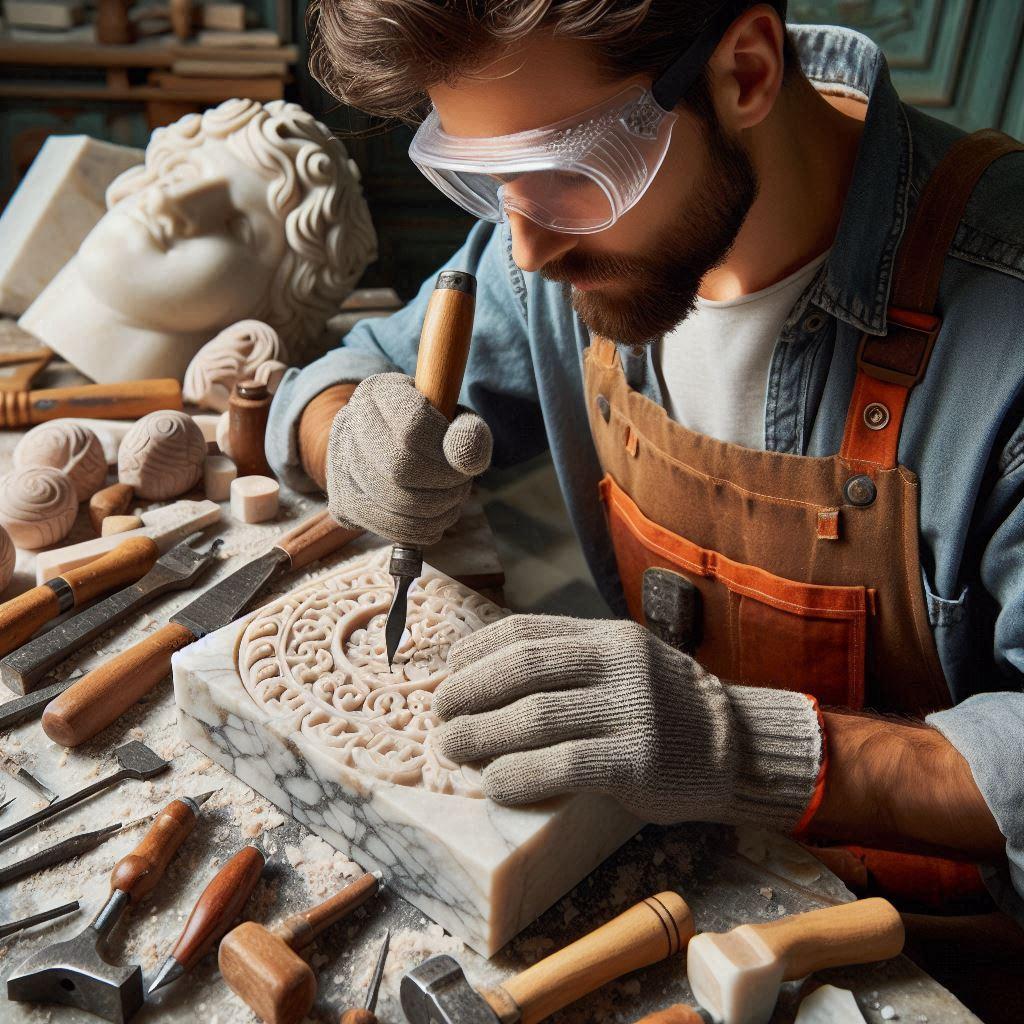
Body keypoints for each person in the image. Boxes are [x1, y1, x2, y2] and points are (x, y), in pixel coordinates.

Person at [269, 0, 1024, 1006]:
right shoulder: (546, 233)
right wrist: (348, 432)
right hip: (678, 894)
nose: (525, 252)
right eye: (484, 178)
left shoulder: (1005, 323)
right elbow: (349, 374)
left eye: (567, 172)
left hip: (942, 963)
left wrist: (746, 749)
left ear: (745, 71)